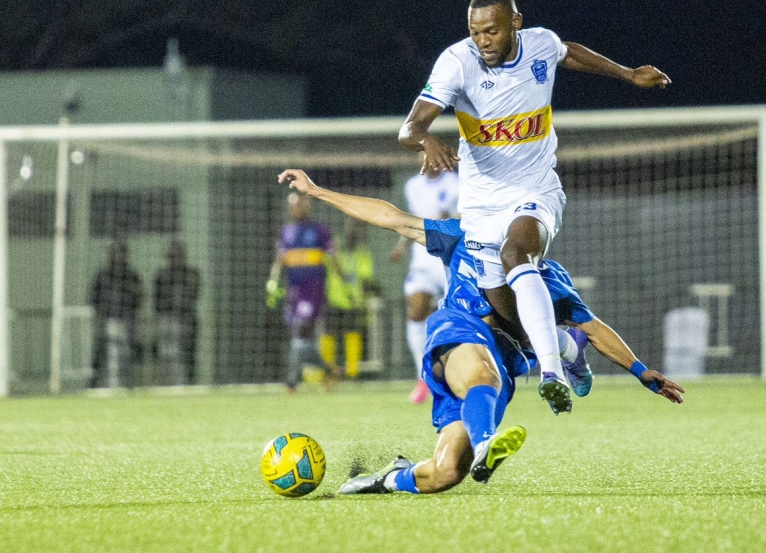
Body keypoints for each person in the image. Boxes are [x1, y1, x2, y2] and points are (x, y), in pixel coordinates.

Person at [277, 169, 684, 493]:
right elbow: (392, 218)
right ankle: (489, 438)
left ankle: (386, 479)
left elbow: (595, 328)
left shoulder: (549, 280)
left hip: (500, 367)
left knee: (446, 472)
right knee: (481, 371)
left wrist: (641, 371)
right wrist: (318, 191)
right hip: (456, 332)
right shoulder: (463, 236)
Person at [398, 0, 671, 415]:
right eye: (475, 32)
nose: (482, 41)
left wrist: (627, 74)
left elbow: (569, 52)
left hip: (536, 189)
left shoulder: (539, 44)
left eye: (490, 31)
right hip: (483, 204)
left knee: (516, 252)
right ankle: (566, 346)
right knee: (508, 319)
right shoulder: (457, 62)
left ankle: (551, 372)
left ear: (515, 23)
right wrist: (425, 140)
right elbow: (408, 127)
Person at [390, 154, 459, 403]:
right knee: (416, 310)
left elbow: (460, 218)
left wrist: (447, 219)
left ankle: (463, 372)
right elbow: (413, 220)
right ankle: (424, 376)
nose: (424, 160)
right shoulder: (412, 186)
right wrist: (402, 245)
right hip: (422, 259)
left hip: (448, 258)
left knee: (459, 313)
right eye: (420, 155)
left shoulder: (454, 184)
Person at [267, 193, 338, 393]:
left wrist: (342, 279)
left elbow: (333, 257)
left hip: (313, 290)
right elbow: (280, 259)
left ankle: (291, 382)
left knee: (300, 332)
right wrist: (273, 280)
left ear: (308, 206)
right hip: (294, 291)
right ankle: (328, 370)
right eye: (294, 205)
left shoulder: (320, 231)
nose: (297, 208)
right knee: (299, 339)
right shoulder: (285, 232)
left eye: (301, 204)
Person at [325, 219, 380, 379]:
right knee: (329, 334)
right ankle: (328, 371)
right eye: (351, 228)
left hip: (353, 301)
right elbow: (327, 263)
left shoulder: (362, 253)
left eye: (358, 229)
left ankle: (352, 372)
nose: (354, 232)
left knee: (353, 333)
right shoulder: (335, 248)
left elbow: (366, 277)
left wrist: (364, 296)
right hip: (334, 298)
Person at [90, 239, 143, 389]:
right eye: (114, 253)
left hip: (127, 322)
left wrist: (128, 312)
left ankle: (127, 386)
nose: (117, 256)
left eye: (120, 253)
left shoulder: (131, 276)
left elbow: (138, 298)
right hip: (108, 321)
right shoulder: (102, 276)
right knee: (109, 355)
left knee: (126, 355)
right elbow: (94, 298)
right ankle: (108, 386)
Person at [153, 239, 201, 385]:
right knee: (167, 356)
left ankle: (190, 384)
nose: (175, 258)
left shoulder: (192, 273)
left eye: (178, 254)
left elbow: (194, 295)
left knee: (188, 356)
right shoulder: (161, 275)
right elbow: (157, 302)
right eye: (172, 255)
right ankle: (168, 385)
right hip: (167, 321)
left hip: (187, 320)